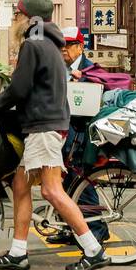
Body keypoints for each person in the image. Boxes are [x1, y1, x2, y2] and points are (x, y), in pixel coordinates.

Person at [0, 0, 109, 270]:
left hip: (44, 126)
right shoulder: (49, 42)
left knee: (51, 190)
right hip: (47, 123)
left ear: (29, 17)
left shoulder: (33, 43)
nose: (15, 18)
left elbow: (19, 89)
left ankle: (93, 249)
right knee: (20, 185)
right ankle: (17, 252)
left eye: (17, 13)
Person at [47, 26, 108, 248]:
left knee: (81, 183)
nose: (63, 49)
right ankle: (70, 228)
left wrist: (80, 82)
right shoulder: (58, 67)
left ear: (80, 47)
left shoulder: (90, 70)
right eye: (61, 45)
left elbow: (96, 97)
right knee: (65, 185)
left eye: (69, 45)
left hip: (81, 135)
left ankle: (98, 230)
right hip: (62, 132)